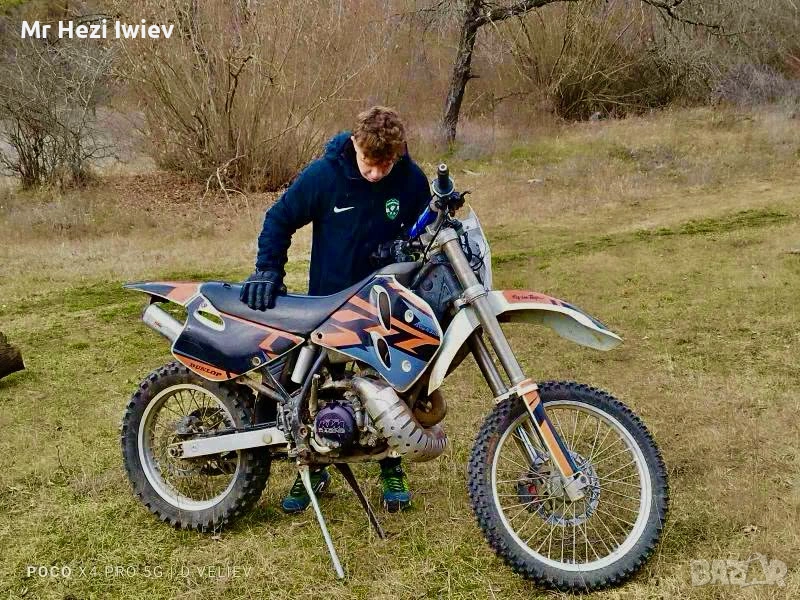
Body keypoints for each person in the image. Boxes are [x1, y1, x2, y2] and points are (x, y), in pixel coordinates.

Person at [240, 106, 431, 513]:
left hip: (388, 305)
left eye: (385, 165)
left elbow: (427, 232)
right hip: (330, 305)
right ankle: (312, 468)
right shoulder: (325, 176)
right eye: (368, 162)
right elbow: (279, 218)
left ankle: (391, 464)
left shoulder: (411, 180)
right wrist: (268, 270)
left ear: (397, 154)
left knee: (393, 389)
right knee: (319, 389)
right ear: (355, 144)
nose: (376, 174)